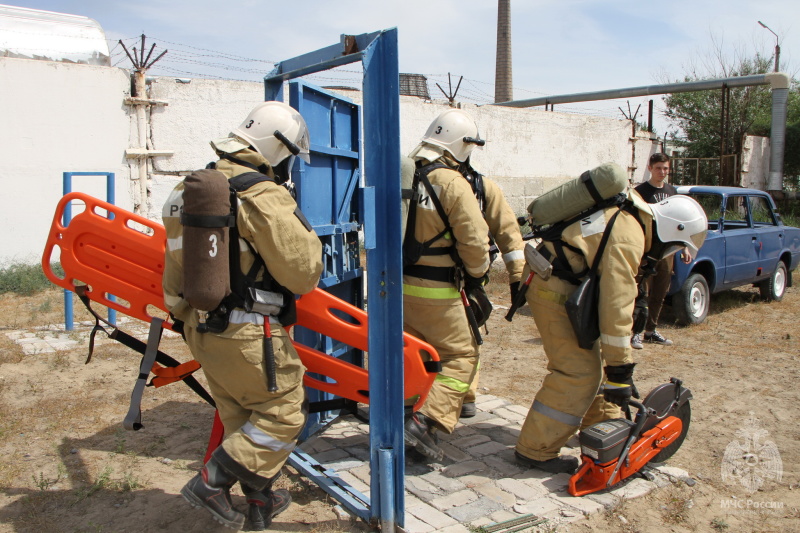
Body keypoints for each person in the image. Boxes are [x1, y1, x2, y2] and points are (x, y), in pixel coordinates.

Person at [162, 101, 323, 530]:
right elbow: (303, 273)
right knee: (283, 412)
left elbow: (174, 269)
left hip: (201, 328)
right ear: (277, 149)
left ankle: (258, 508)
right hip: (252, 334)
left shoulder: (184, 191)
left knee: (243, 419)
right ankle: (211, 483)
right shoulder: (260, 193)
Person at [514, 163, 707, 474]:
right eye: (674, 248)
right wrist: (620, 369)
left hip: (566, 285)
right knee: (577, 372)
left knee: (599, 368)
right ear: (672, 232)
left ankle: (600, 432)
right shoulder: (629, 236)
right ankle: (535, 450)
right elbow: (616, 306)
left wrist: (617, 372)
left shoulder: (632, 217)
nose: (669, 254)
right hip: (552, 289)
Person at [402, 108, 491, 460]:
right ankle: (425, 423)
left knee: (415, 355)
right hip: (439, 291)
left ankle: (407, 412)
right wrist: (477, 274)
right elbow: (474, 242)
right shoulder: (453, 182)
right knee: (460, 357)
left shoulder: (403, 172)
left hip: (399, 286)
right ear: (460, 145)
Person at [459, 168, 525, 418]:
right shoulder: (423, 179)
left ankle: (464, 396)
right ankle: (458, 396)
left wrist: (517, 276)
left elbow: (508, 233)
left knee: (467, 339)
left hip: (467, 282)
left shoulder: (482, 188)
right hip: (454, 279)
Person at [630, 153, 693, 349]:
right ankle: (636, 332)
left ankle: (651, 330)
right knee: (641, 292)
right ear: (649, 168)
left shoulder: (672, 192)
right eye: (658, 168)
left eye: (665, 168)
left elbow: (679, 222)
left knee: (660, 291)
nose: (662, 172)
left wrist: (684, 246)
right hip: (646, 249)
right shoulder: (639, 192)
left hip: (667, 251)